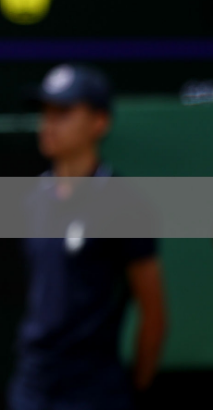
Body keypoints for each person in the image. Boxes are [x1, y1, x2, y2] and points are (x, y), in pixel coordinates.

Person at [9, 63, 167, 410]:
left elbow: (153, 312)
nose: (48, 123)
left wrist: (136, 387)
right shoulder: (33, 198)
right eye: (45, 111)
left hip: (94, 389)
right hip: (31, 386)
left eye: (63, 112)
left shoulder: (125, 204)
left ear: (99, 122)